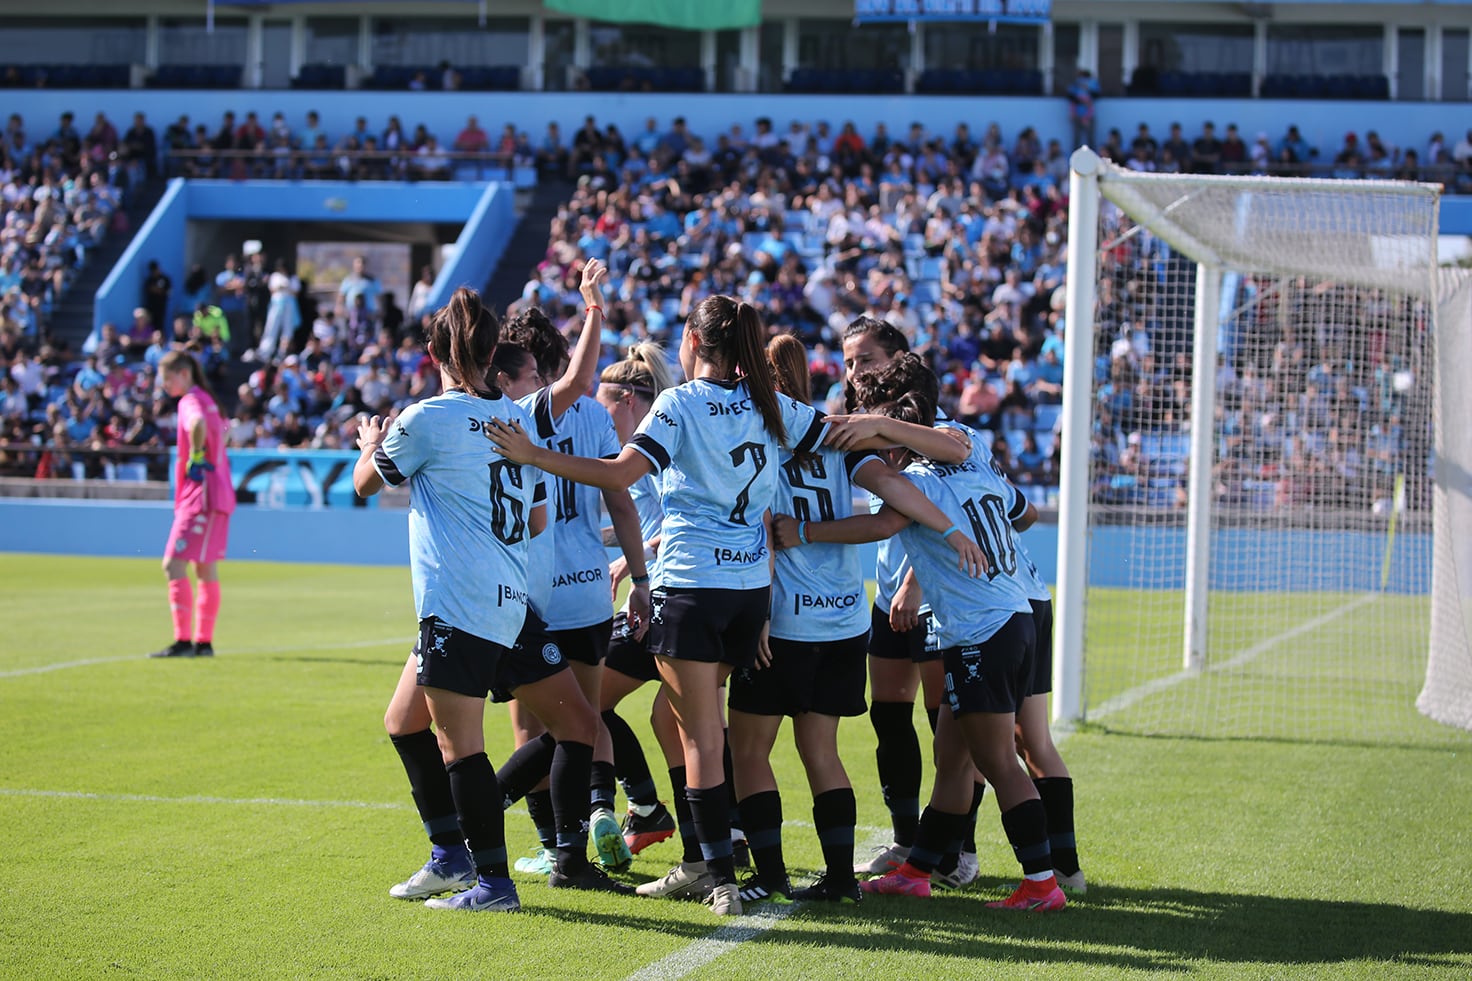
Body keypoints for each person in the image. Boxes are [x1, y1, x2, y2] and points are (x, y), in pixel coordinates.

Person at [484, 295, 826, 917]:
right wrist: (924, 435)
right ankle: (699, 853)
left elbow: (619, 477)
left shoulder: (680, 404)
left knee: (694, 734)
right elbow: (840, 433)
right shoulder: (769, 403)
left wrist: (532, 454)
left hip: (692, 588)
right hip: (749, 592)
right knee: (681, 726)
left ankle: (716, 874)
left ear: (694, 341)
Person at [727, 335, 985, 906]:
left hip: (786, 622)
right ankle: (842, 879)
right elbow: (894, 502)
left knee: (748, 752)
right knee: (822, 752)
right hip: (843, 622)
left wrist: (760, 616)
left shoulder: (758, 441)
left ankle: (768, 877)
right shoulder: (840, 436)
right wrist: (950, 529)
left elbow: (761, 535)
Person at [785, 388, 1067, 912]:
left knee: (999, 762)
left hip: (981, 630)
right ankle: (918, 871)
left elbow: (880, 526)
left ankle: (1042, 882)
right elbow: (1017, 512)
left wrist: (801, 530)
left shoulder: (910, 483)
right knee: (954, 760)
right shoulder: (976, 461)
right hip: (1016, 615)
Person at [354, 288, 542, 913]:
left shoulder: (426, 418)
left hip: (459, 600)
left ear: (432, 351)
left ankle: (492, 883)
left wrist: (367, 443)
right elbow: (535, 522)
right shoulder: (514, 421)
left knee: (460, 744)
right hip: (505, 597)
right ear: (493, 353)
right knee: (402, 721)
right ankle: (450, 854)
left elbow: (363, 485)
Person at [491, 266, 653, 876]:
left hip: (528, 596)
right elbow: (618, 497)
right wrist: (638, 576)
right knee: (587, 718)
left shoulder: (508, 417)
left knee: (532, 723)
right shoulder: (595, 416)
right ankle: (592, 814)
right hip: (589, 588)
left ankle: (542, 837)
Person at [592, 344, 683, 856]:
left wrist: (634, 560)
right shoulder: (646, 443)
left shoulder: (653, 446)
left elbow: (681, 519)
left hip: (667, 597)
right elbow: (641, 523)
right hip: (664, 594)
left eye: (601, 401)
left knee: (587, 699)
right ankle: (655, 812)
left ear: (627, 398)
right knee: (677, 722)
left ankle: (647, 808)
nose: (594, 412)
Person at [148, 351, 235, 659]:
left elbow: (197, 423)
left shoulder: (190, 401)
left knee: (172, 564)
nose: (165, 385)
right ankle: (203, 643)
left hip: (201, 496)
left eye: (168, 378)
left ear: (184, 373)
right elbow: (226, 431)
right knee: (204, 567)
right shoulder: (210, 399)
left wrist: (198, 455)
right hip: (215, 494)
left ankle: (184, 641)